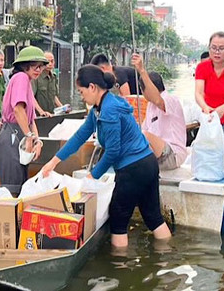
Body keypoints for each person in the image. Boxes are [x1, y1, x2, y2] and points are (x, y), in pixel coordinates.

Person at [41, 65, 172, 247]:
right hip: (147, 163)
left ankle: (119, 266)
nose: (81, 96)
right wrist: (53, 161)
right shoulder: (100, 107)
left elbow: (113, 151)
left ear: (93, 87)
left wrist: (92, 175)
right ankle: (166, 256)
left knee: (118, 219)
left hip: (133, 168)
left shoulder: (108, 110)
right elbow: (80, 136)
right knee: (152, 216)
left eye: (81, 91)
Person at [0, 46, 47, 194]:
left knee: (21, 186)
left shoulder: (28, 81)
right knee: (12, 189)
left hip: (20, 135)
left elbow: (30, 119)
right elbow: (18, 110)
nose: (38, 69)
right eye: (34, 66)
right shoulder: (21, 78)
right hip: (12, 135)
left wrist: (37, 140)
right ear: (24, 66)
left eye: (41, 66)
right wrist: (29, 137)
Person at [131, 53, 187, 170]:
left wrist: (142, 70)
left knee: (144, 136)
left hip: (173, 154)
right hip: (158, 153)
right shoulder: (150, 107)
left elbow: (157, 99)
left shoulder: (170, 100)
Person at [195, 31, 224, 167]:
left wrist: (222, 109)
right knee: (209, 153)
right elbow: (198, 93)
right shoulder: (202, 67)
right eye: (214, 48)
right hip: (210, 118)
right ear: (209, 48)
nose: (217, 52)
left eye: (221, 49)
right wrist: (205, 107)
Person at [32, 51, 64, 117]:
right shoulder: (36, 77)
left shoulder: (53, 77)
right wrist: (41, 112)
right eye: (47, 62)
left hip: (51, 114)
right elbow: (31, 97)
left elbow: (54, 96)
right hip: (38, 116)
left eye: (52, 61)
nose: (50, 64)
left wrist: (62, 108)